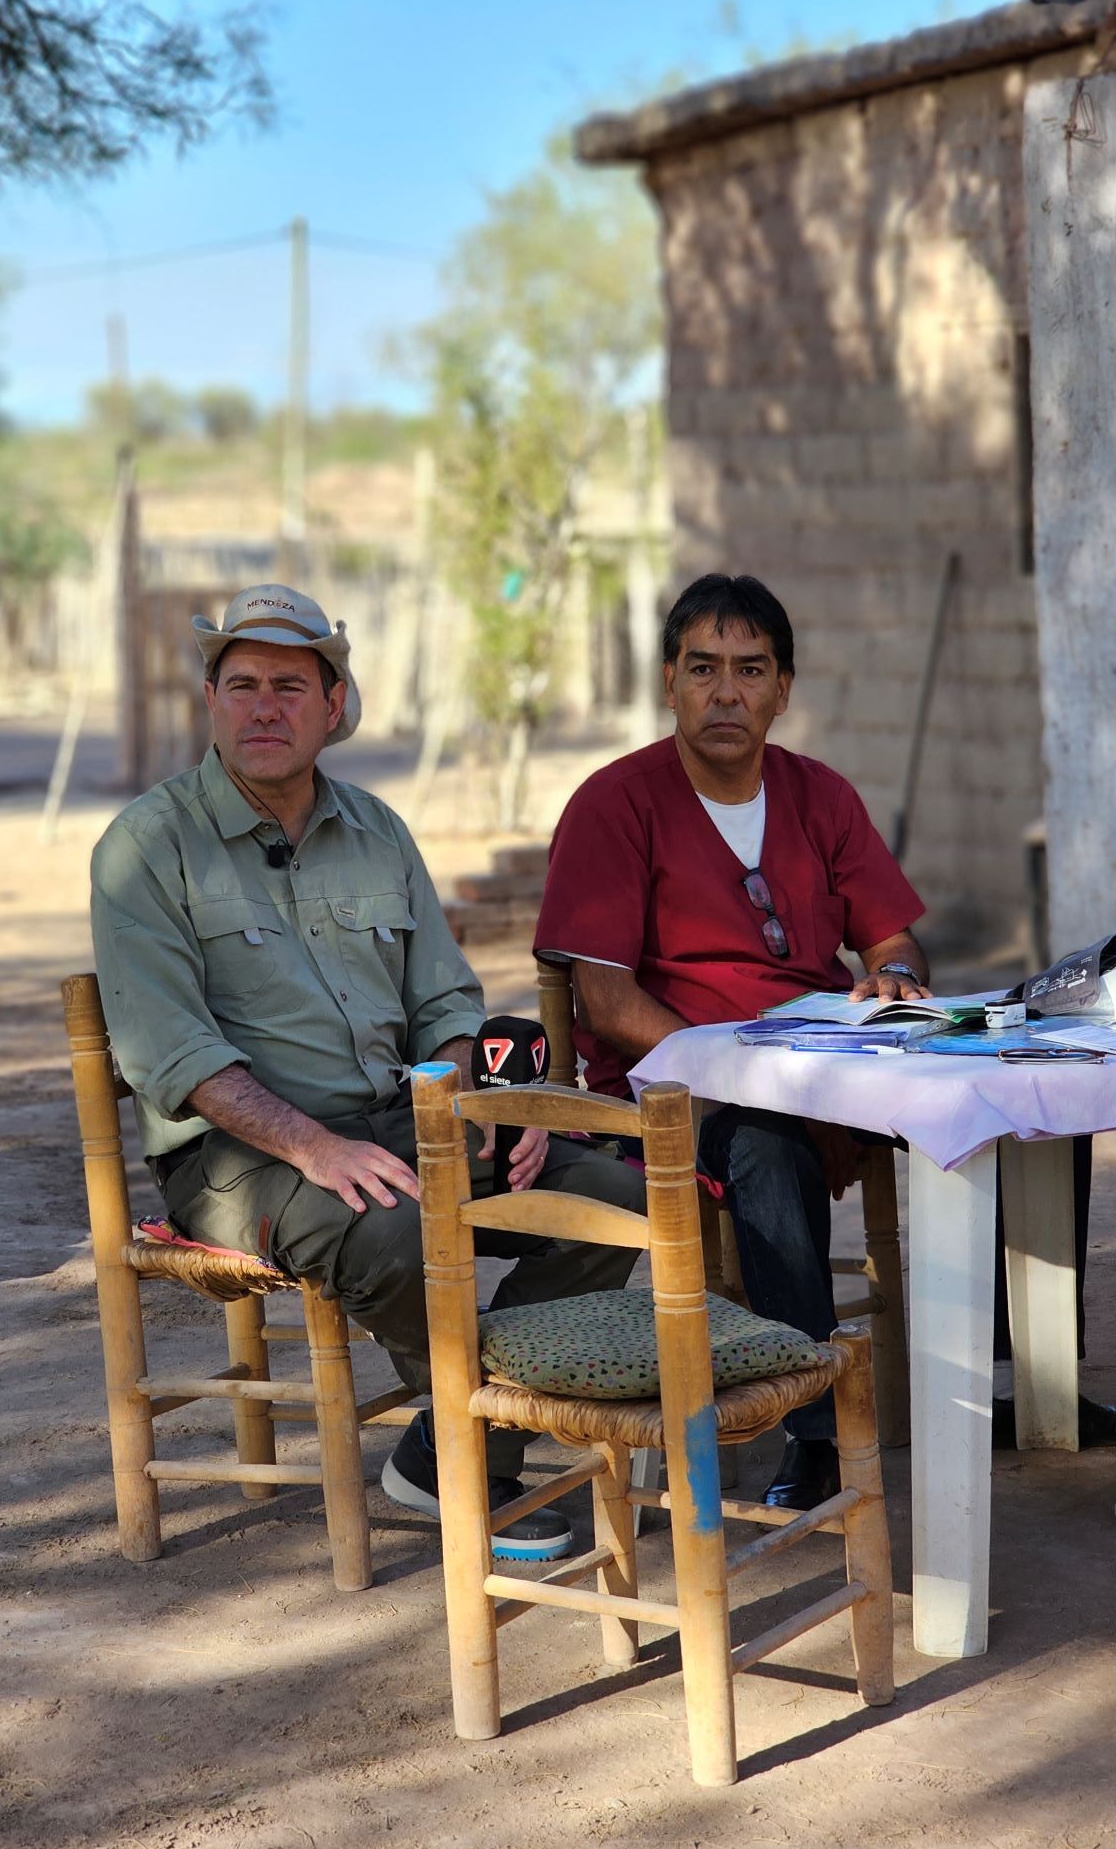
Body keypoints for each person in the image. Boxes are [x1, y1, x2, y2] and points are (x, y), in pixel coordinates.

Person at [90, 583, 645, 1562]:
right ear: (210, 700)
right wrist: (313, 1145)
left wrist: (482, 1099)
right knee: (393, 1228)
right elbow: (171, 1051)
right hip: (235, 1154)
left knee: (609, 1196)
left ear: (334, 704)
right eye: (244, 684)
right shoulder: (147, 844)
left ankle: (452, 1446)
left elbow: (448, 1006)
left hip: (394, 1117)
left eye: (291, 686)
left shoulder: (378, 830)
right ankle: (480, 1471)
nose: (266, 707)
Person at [535, 572, 930, 1512]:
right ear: (668, 680)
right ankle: (819, 1428)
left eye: (750, 670)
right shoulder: (614, 803)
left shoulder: (818, 794)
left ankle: (1011, 1379)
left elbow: (890, 934)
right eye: (702, 667)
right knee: (764, 1141)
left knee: (1018, 1103)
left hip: (828, 1068)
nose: (726, 692)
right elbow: (606, 998)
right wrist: (737, 1066)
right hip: (685, 1088)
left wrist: (898, 979)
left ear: (782, 689)